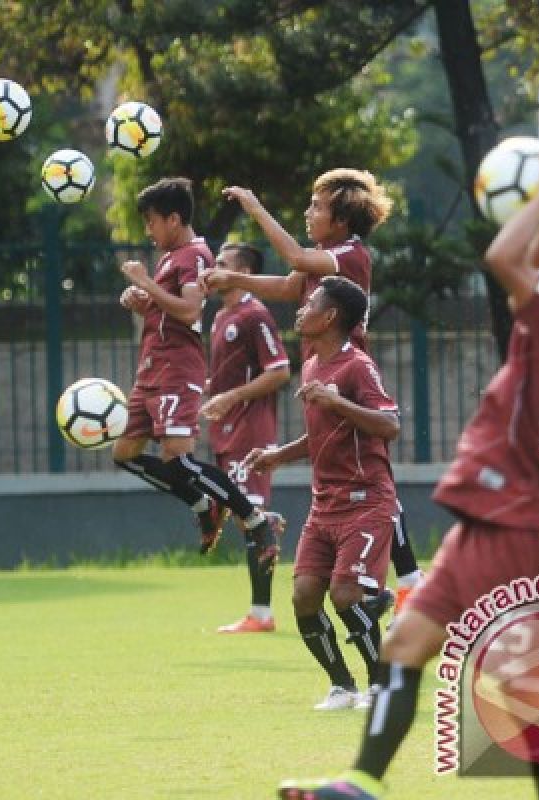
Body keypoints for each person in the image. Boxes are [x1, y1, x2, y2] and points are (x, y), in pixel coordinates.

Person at [278, 149, 539, 800]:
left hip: (522, 527)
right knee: (404, 648)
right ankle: (362, 783)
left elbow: (504, 256)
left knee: (519, 688)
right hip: (486, 524)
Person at [200, 170, 423, 612]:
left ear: (340, 220)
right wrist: (235, 281)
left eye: (317, 207)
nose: (308, 212)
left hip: (350, 377)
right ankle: (406, 585)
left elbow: (295, 260)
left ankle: (412, 584)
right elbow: (288, 286)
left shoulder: (349, 254)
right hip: (323, 373)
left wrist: (254, 206)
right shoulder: (324, 255)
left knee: (373, 484)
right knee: (360, 478)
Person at [113, 177, 283, 569]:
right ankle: (203, 505)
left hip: (176, 369)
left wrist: (143, 283)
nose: (149, 230)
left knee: (178, 459)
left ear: (174, 219)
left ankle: (255, 521)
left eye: (152, 221)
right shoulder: (169, 257)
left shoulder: (195, 255)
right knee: (124, 454)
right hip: (151, 368)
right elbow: (171, 312)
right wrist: (142, 300)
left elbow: (190, 311)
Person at [247, 276, 399, 710]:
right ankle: (342, 686)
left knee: (345, 596)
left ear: (330, 316)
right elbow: (323, 435)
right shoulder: (313, 364)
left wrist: (338, 403)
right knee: (303, 596)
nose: (300, 309)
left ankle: (381, 684)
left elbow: (389, 425)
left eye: (310, 302)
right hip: (324, 504)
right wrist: (278, 455)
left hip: (365, 501)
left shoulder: (358, 366)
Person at [200, 243, 291, 633]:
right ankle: (269, 523)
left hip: (250, 430)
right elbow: (224, 378)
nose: (212, 269)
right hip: (224, 430)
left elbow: (280, 371)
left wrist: (232, 397)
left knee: (250, 517)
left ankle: (262, 614)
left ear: (243, 270)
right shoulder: (221, 316)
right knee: (248, 516)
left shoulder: (255, 315)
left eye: (220, 264)